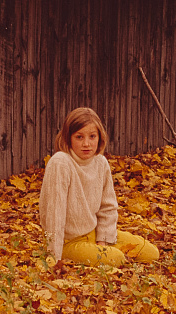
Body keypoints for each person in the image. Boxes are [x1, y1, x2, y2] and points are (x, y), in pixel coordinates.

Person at [38, 107, 159, 266]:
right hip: (69, 242)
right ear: (68, 138)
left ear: (99, 137)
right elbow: (54, 213)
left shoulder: (100, 162)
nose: (86, 143)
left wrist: (102, 242)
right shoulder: (61, 162)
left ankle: (104, 250)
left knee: (151, 253)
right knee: (116, 258)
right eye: (79, 137)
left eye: (92, 136)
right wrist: (54, 255)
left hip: (94, 234)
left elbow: (107, 207)